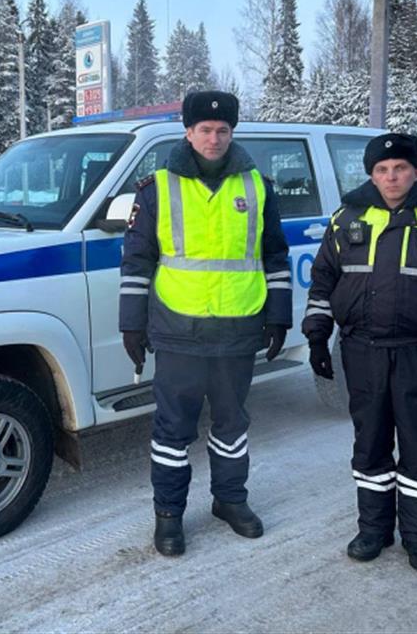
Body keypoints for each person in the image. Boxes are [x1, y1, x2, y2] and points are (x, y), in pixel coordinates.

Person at [301, 133, 417, 575]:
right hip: (360, 351)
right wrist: (315, 336)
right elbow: (323, 284)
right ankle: (374, 529)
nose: (391, 177)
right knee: (369, 443)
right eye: (382, 170)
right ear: (371, 174)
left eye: (400, 168)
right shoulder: (345, 219)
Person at [120, 90, 292, 557]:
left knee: (233, 424)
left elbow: (275, 254)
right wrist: (131, 325)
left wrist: (278, 315)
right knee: (174, 431)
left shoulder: (257, 186)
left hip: (238, 330)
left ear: (232, 132)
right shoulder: (158, 187)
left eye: (223, 130)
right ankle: (169, 515)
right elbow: (137, 261)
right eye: (205, 130)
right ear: (188, 132)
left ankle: (230, 501)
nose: (214, 138)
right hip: (179, 330)